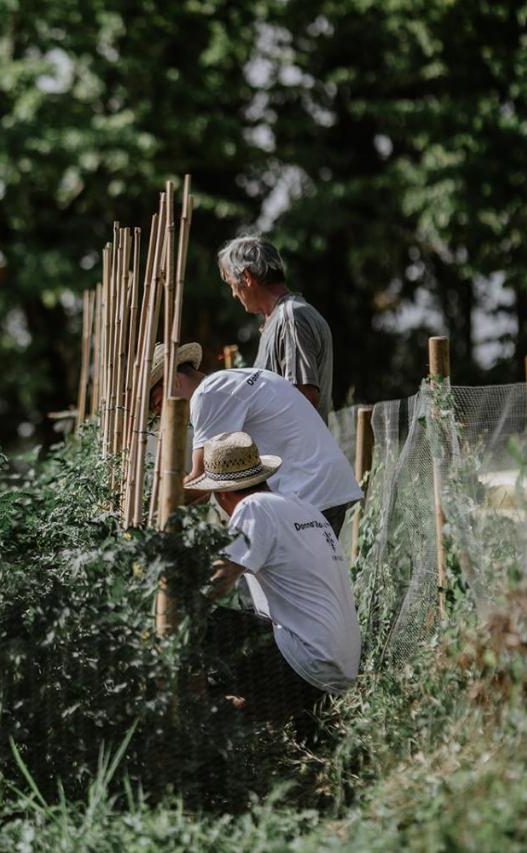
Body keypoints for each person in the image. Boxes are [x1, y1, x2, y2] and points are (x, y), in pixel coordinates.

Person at [191, 431, 360, 730]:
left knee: (207, 624)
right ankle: (271, 713)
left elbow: (216, 584)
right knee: (244, 624)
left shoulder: (253, 508)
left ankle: (203, 724)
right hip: (339, 671)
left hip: (306, 667)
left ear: (223, 494)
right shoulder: (302, 507)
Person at [148, 342, 362, 536]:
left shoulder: (206, 395)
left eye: (158, 404)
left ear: (175, 381)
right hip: (321, 483)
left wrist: (153, 509)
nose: (161, 415)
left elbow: (202, 478)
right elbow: (213, 485)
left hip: (307, 490)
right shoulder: (228, 382)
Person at [217, 236, 334, 421]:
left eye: (232, 284)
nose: (233, 293)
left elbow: (303, 397)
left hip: (295, 450)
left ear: (246, 277)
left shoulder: (290, 318)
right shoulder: (280, 318)